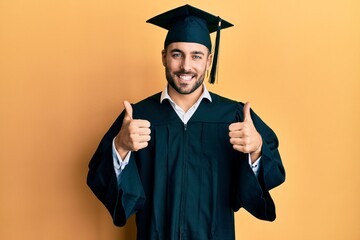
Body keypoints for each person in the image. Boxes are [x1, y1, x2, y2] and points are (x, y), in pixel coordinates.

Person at [87, 4, 285, 240]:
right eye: (177, 54)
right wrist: (119, 147)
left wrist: (257, 151)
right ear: (164, 57)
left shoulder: (235, 117)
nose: (186, 66)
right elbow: (101, 177)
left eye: (196, 56)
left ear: (209, 61)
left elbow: (266, 179)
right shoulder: (138, 116)